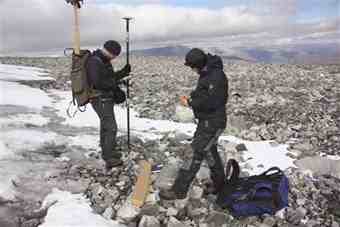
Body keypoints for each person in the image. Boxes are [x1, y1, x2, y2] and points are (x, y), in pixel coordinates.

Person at [160, 48, 228, 200]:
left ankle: (178, 190)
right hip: (208, 121)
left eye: (192, 66)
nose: (192, 69)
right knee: (210, 152)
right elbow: (203, 94)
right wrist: (193, 97)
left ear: (198, 64)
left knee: (195, 153)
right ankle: (220, 185)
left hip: (213, 122)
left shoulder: (216, 76)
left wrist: (190, 102)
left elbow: (212, 101)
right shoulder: (207, 73)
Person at [86, 40, 131, 170]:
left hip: (104, 98)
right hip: (100, 98)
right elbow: (98, 83)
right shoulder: (95, 62)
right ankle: (109, 157)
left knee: (105, 124)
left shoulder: (104, 61)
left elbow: (110, 77)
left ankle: (106, 149)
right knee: (111, 127)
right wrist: (114, 86)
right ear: (109, 52)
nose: (115, 58)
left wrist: (123, 72)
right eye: (115, 55)